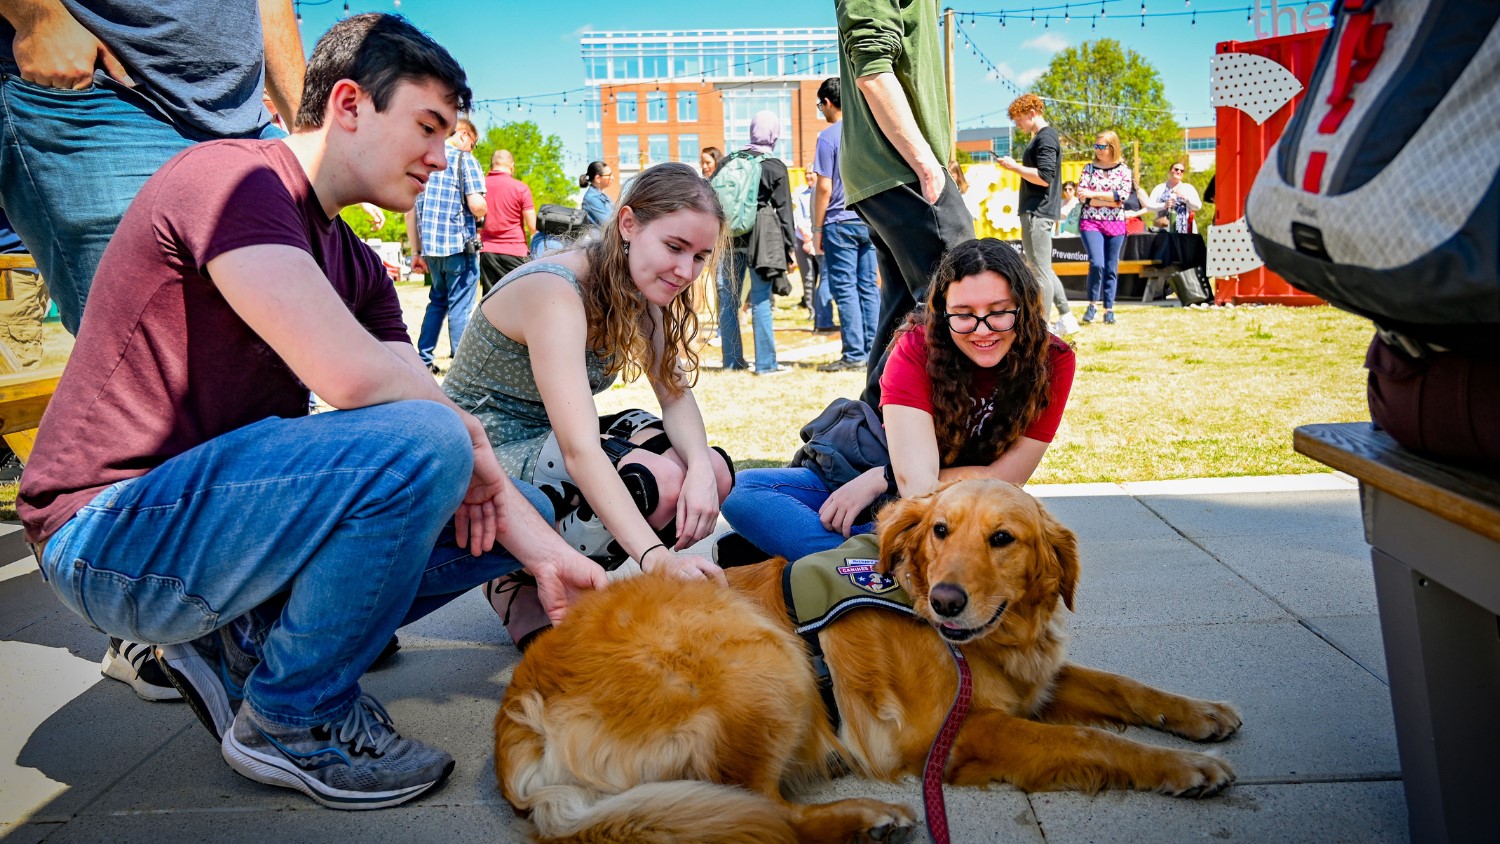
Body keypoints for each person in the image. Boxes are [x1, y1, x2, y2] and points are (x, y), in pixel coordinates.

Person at [16, 13, 606, 810]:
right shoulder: (230, 178)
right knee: (430, 439)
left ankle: (241, 644)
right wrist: (467, 443)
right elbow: (355, 378)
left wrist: (544, 556)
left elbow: (401, 385)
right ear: (351, 105)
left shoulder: (355, 261)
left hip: (215, 528)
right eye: (428, 127)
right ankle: (294, 718)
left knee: (519, 509)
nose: (443, 157)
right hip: (110, 533)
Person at [0, 0, 304, 702]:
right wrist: (38, 14)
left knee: (264, 366)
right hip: (98, 89)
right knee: (146, 383)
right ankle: (150, 623)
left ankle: (254, 602)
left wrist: (307, 113)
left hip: (240, 112)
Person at [443, 162, 735, 649]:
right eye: (674, 247)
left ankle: (558, 573)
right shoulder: (557, 291)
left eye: (701, 256)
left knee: (713, 471)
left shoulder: (640, 289)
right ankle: (520, 580)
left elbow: (675, 395)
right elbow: (580, 451)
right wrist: (657, 558)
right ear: (627, 225)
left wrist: (703, 469)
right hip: (482, 450)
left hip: (546, 440)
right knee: (654, 481)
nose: (686, 271)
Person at [722, 238, 1075, 560]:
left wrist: (883, 477)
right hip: (865, 474)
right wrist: (890, 476)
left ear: (1025, 308)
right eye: (964, 315)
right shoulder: (917, 345)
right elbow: (919, 485)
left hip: (938, 503)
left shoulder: (1054, 359)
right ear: (942, 311)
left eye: (999, 312)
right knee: (743, 490)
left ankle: (837, 558)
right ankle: (871, 558)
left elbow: (1005, 479)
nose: (982, 330)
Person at [835, 0, 975, 405]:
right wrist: (926, 164)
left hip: (894, 169)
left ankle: (867, 434)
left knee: (907, 311)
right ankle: (908, 436)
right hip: (901, 168)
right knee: (966, 297)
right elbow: (873, 72)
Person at [713, 110, 796, 376]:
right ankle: (766, 364)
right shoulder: (774, 166)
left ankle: (732, 363)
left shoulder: (729, 161)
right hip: (762, 239)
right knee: (760, 300)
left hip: (729, 238)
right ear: (774, 133)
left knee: (728, 301)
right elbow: (785, 212)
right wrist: (789, 247)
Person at [809, 76, 879, 373]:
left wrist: (816, 228)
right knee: (869, 288)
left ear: (827, 102)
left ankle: (854, 354)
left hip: (839, 221)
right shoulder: (868, 132)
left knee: (845, 288)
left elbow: (823, 187)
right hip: (870, 219)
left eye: (819, 104)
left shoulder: (827, 137)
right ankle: (875, 352)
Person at [406, 115, 485, 373]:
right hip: (458, 247)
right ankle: (462, 364)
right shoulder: (465, 160)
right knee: (461, 305)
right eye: (473, 144)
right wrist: (483, 209)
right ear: (464, 135)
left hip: (431, 249)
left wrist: (416, 251)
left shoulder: (424, 161)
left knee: (437, 302)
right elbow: (476, 204)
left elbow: (410, 212)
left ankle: (425, 358)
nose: (472, 149)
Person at [998, 93, 1076, 338]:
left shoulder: (1046, 138)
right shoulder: (1043, 137)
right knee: (1043, 268)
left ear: (1031, 113)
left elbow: (1044, 177)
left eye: (1019, 120)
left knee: (1039, 271)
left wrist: (1014, 167)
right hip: (1036, 211)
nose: (1017, 125)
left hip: (1038, 211)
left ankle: (1043, 326)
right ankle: (1066, 316)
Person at [1076, 131, 1135, 325]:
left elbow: (1123, 196)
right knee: (1097, 263)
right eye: (1096, 146)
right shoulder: (1089, 168)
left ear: (1112, 147)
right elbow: (1083, 197)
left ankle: (1109, 308)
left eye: (1102, 146)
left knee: (1111, 267)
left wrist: (1096, 196)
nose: (1098, 150)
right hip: (1090, 221)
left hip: (1116, 223)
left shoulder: (1124, 170)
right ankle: (1092, 304)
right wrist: (1109, 198)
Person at [478, 149, 535, 294]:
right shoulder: (520, 188)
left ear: (492, 165)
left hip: (487, 251)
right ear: (512, 165)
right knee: (519, 297)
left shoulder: (479, 186)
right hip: (515, 251)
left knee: (491, 299)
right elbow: (532, 226)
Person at [1141, 160, 1203, 234]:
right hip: (1163, 231)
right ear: (1170, 171)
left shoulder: (1188, 188)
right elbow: (1149, 207)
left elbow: (1198, 206)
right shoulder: (1160, 188)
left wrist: (1186, 198)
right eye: (1176, 169)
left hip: (1184, 231)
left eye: (1182, 171)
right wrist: (1164, 205)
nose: (1179, 172)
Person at [579, 160, 614, 229]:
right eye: (609, 175)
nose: (612, 178)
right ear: (598, 178)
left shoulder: (603, 195)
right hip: (601, 239)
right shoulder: (591, 198)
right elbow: (610, 223)